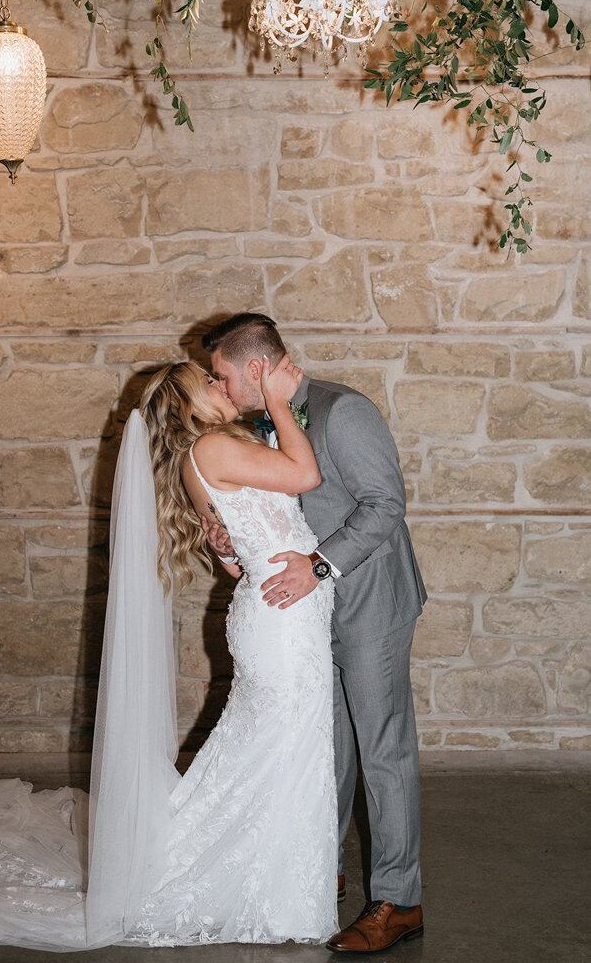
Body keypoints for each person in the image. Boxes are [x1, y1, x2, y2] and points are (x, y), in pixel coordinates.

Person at [0, 356, 339, 950]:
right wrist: (280, 400)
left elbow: (235, 559)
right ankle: (271, 897)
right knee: (286, 753)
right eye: (210, 382)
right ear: (192, 403)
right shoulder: (212, 447)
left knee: (271, 755)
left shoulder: (200, 458)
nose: (221, 386)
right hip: (282, 623)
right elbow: (304, 476)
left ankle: (266, 886)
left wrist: (230, 541)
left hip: (272, 610)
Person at [202, 313, 427, 955]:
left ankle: (398, 900)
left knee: (382, 750)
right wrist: (233, 538)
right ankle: (316, 871)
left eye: (222, 375)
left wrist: (320, 566)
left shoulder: (343, 410)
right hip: (306, 616)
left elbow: (385, 504)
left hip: (369, 601)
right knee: (325, 747)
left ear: (254, 368)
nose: (218, 389)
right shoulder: (258, 426)